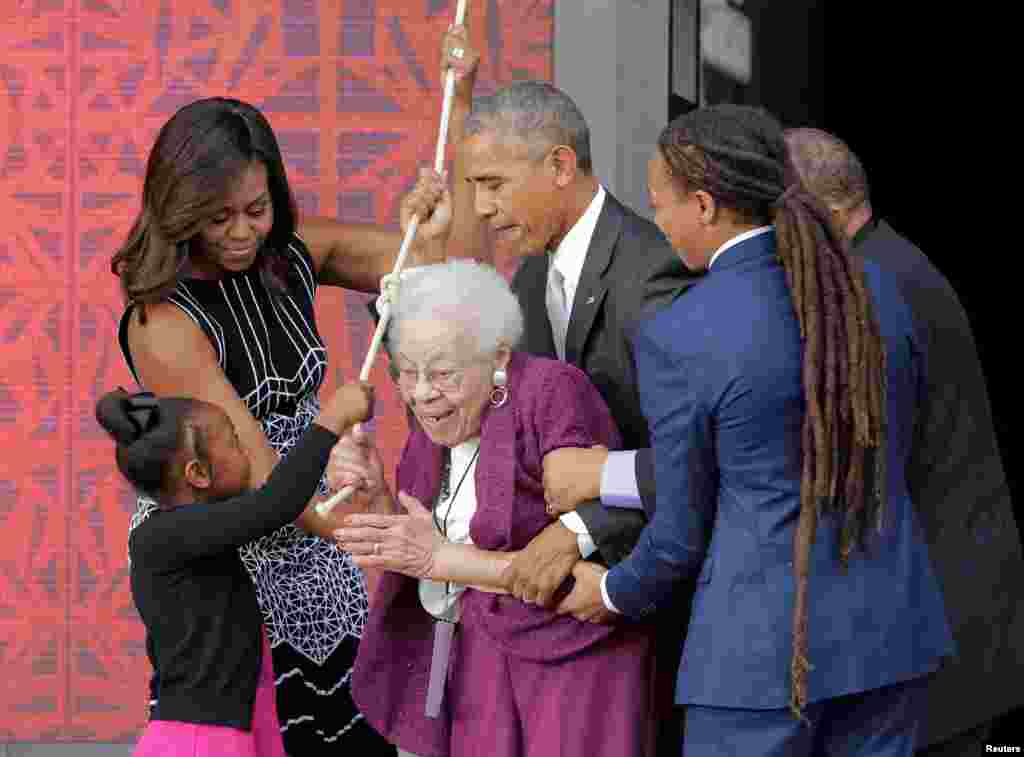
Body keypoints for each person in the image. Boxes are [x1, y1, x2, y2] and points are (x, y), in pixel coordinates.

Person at [110, 28, 471, 750]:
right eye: (219, 217)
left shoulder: (289, 257)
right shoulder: (163, 318)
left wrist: (455, 109)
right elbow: (258, 473)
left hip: (312, 514)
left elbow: (439, 257)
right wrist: (358, 524)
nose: (243, 231)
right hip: (238, 543)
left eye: (257, 208)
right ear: (179, 209)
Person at [562, 104, 955, 756]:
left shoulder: (682, 331)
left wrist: (610, 589)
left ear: (706, 207)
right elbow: (895, 456)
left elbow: (679, 535)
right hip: (891, 637)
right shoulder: (880, 292)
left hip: (759, 659)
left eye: (662, 207)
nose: (659, 225)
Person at [434, 55, 700, 755]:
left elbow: (692, 451)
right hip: (554, 623)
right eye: (475, 188)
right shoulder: (527, 281)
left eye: (493, 184)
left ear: (558, 165)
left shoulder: (653, 269)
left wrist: (580, 528)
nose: (485, 209)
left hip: (651, 606)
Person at [329, 260, 656, 757]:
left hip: (574, 660)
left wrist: (441, 560)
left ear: (498, 355)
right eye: (408, 373)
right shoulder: (434, 427)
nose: (421, 393)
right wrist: (376, 496)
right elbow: (427, 540)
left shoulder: (551, 394)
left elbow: (591, 550)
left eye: (441, 373)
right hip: (480, 654)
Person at [784, 127, 1024, 756]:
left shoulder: (872, 292)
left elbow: (854, 464)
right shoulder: (890, 265)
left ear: (822, 214)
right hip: (953, 610)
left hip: (935, 633)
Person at [95, 381, 373, 756]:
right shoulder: (162, 537)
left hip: (233, 727)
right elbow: (275, 504)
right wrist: (332, 419)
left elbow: (270, 504)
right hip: (199, 740)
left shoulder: (192, 533)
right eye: (234, 441)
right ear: (197, 473)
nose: (246, 451)